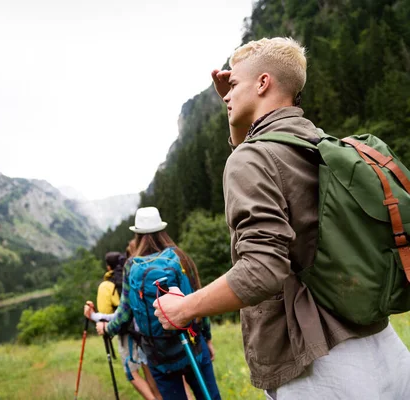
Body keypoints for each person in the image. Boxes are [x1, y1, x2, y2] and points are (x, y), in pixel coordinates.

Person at [152, 37, 410, 399]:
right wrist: (238, 108)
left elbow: (262, 269)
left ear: (263, 83)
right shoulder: (319, 144)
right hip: (385, 352)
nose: (226, 96)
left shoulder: (253, 160)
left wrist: (184, 308)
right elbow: (253, 151)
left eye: (234, 85)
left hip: (320, 371)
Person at [98, 206, 221, 400]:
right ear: (162, 230)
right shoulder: (180, 257)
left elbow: (124, 314)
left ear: (137, 234)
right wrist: (207, 339)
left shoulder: (132, 265)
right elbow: (198, 301)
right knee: (210, 397)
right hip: (192, 344)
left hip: (159, 355)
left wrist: (107, 329)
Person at [84, 250, 161, 400]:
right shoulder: (134, 274)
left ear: (108, 267)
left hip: (126, 332)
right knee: (148, 368)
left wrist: (94, 317)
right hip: (144, 330)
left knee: (131, 373)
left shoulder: (106, 285)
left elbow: (109, 313)